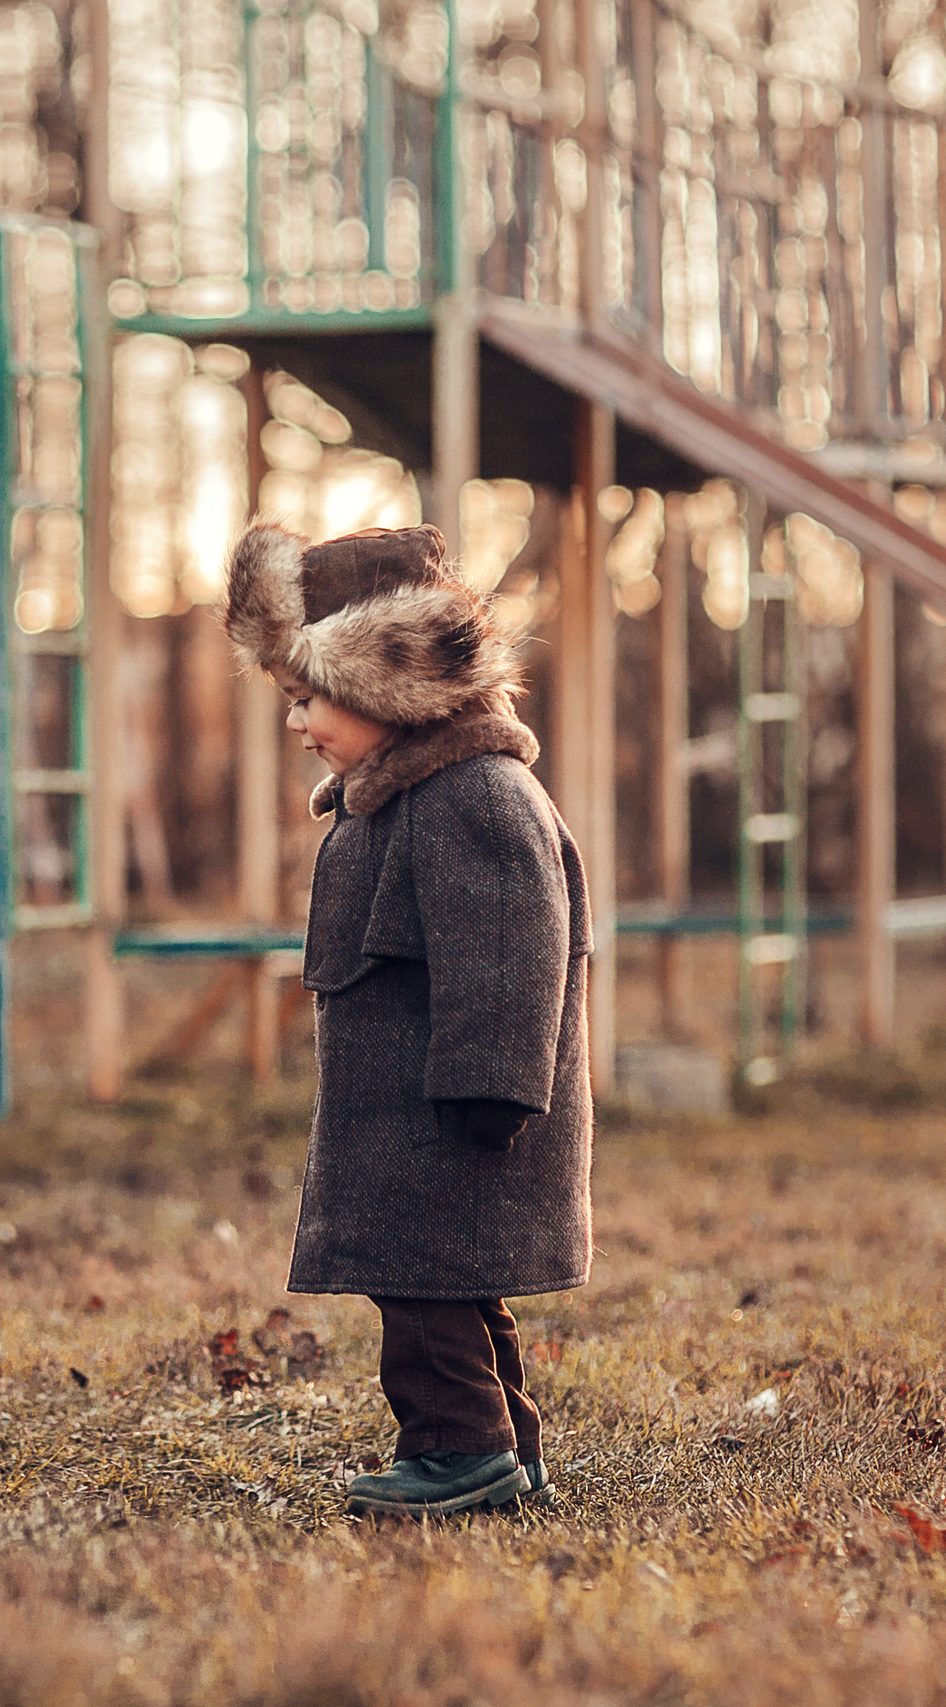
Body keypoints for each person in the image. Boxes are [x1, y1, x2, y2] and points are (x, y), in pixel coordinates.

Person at [221, 520, 594, 1519]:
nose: (298, 721)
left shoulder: (475, 796)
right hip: (405, 1115)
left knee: (426, 1292)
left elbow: (514, 954)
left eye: (311, 695)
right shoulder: (395, 797)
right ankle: (508, 1450)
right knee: (451, 1286)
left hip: (451, 1112)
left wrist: (491, 1086)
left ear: (390, 682)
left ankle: (453, 1450)